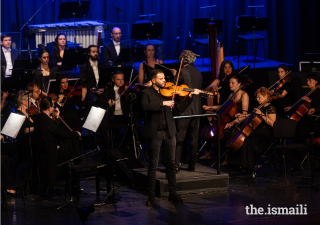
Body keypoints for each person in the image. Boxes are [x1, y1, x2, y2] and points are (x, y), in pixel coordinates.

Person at [141, 69, 200, 206]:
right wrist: (163, 103)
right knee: (153, 164)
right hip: (155, 133)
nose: (164, 80)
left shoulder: (168, 94)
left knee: (171, 164)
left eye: (164, 78)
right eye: (161, 78)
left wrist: (190, 96)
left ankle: (173, 194)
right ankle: (151, 196)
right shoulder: (146, 93)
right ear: (154, 81)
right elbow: (144, 106)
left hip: (169, 132)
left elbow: (179, 108)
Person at [33, 97, 82, 188]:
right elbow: (62, 132)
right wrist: (76, 134)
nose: (54, 107)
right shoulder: (49, 122)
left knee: (66, 148)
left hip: (42, 151)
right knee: (78, 157)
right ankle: (74, 186)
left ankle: (66, 179)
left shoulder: (38, 118)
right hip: (51, 152)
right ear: (49, 108)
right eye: (53, 106)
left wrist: (56, 117)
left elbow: (55, 129)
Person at [226, 87, 277, 173]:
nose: (257, 99)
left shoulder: (271, 107)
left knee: (248, 141)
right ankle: (236, 164)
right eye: (257, 97)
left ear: (266, 96)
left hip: (266, 132)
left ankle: (247, 167)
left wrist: (262, 114)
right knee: (243, 139)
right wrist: (237, 120)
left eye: (259, 97)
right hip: (258, 130)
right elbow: (250, 116)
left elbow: (272, 124)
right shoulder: (259, 107)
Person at [202, 75, 249, 164]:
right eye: (229, 83)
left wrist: (234, 121)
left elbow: (245, 113)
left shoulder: (244, 95)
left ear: (239, 84)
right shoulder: (231, 94)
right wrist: (209, 107)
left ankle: (228, 158)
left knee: (226, 131)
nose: (230, 85)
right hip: (230, 120)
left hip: (239, 121)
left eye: (233, 83)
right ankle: (212, 153)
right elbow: (223, 106)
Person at [170, 50, 203, 171]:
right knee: (194, 138)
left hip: (185, 110)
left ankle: (175, 165)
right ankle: (192, 164)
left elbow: (174, 88)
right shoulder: (199, 73)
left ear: (183, 59)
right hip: (197, 110)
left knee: (180, 137)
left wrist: (175, 76)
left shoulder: (182, 72)